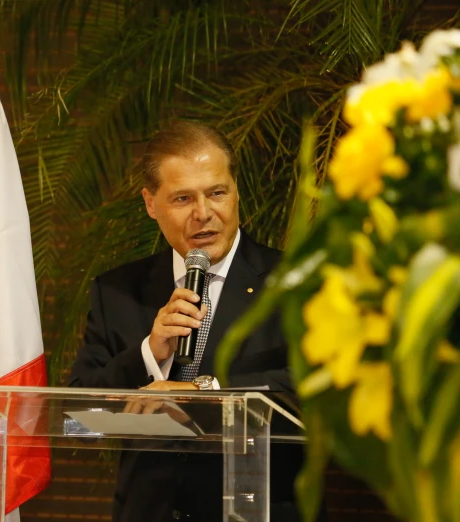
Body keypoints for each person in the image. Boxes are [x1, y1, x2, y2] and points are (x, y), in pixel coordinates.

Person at [68, 121, 325, 521]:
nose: (204, 214)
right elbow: (79, 420)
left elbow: (316, 391)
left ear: (236, 192)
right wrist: (149, 353)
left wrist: (203, 392)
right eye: (183, 198)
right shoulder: (117, 291)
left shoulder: (298, 282)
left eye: (217, 193)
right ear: (151, 203)